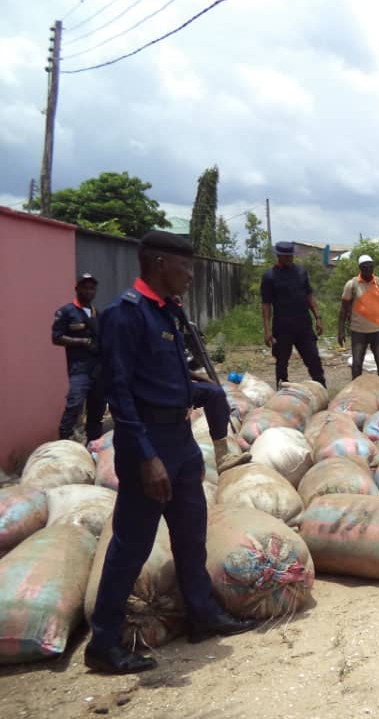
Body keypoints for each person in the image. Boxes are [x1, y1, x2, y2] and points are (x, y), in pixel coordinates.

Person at [86, 231, 256, 675]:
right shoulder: (126, 315)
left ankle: (202, 615)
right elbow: (117, 392)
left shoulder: (167, 311)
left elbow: (172, 375)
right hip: (148, 443)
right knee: (131, 545)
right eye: (186, 267)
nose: (192, 276)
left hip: (179, 439)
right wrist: (146, 456)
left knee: (190, 533)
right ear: (160, 263)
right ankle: (103, 642)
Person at [261, 241, 326, 389]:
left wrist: (318, 317)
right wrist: (267, 330)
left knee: (314, 360)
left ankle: (322, 391)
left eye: (291, 256)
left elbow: (309, 296)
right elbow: (266, 305)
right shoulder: (269, 277)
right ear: (279, 256)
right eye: (286, 256)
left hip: (303, 325)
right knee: (282, 362)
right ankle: (282, 394)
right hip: (282, 327)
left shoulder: (301, 272)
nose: (289, 258)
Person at [52, 272, 106, 443]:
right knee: (74, 404)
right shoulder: (67, 312)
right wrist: (81, 341)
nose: (89, 291)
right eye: (85, 287)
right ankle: (64, 440)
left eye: (92, 288)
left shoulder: (98, 313)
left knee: (97, 408)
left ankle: (93, 446)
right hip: (79, 368)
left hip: (98, 369)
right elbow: (56, 337)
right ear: (77, 289)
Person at [337, 253, 379, 379]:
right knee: (357, 365)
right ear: (360, 268)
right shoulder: (351, 285)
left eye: (370, 267)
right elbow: (343, 310)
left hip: (378, 330)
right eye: (365, 267)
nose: (368, 270)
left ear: (373, 267)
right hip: (358, 331)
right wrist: (340, 331)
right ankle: (356, 393)